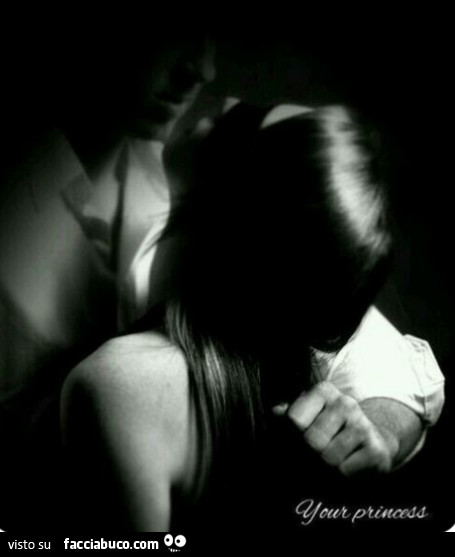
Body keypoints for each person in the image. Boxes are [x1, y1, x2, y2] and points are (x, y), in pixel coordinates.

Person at [0, 36, 443, 529]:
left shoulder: (175, 179)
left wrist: (376, 432)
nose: (207, 72)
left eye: (248, 120)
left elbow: (373, 343)